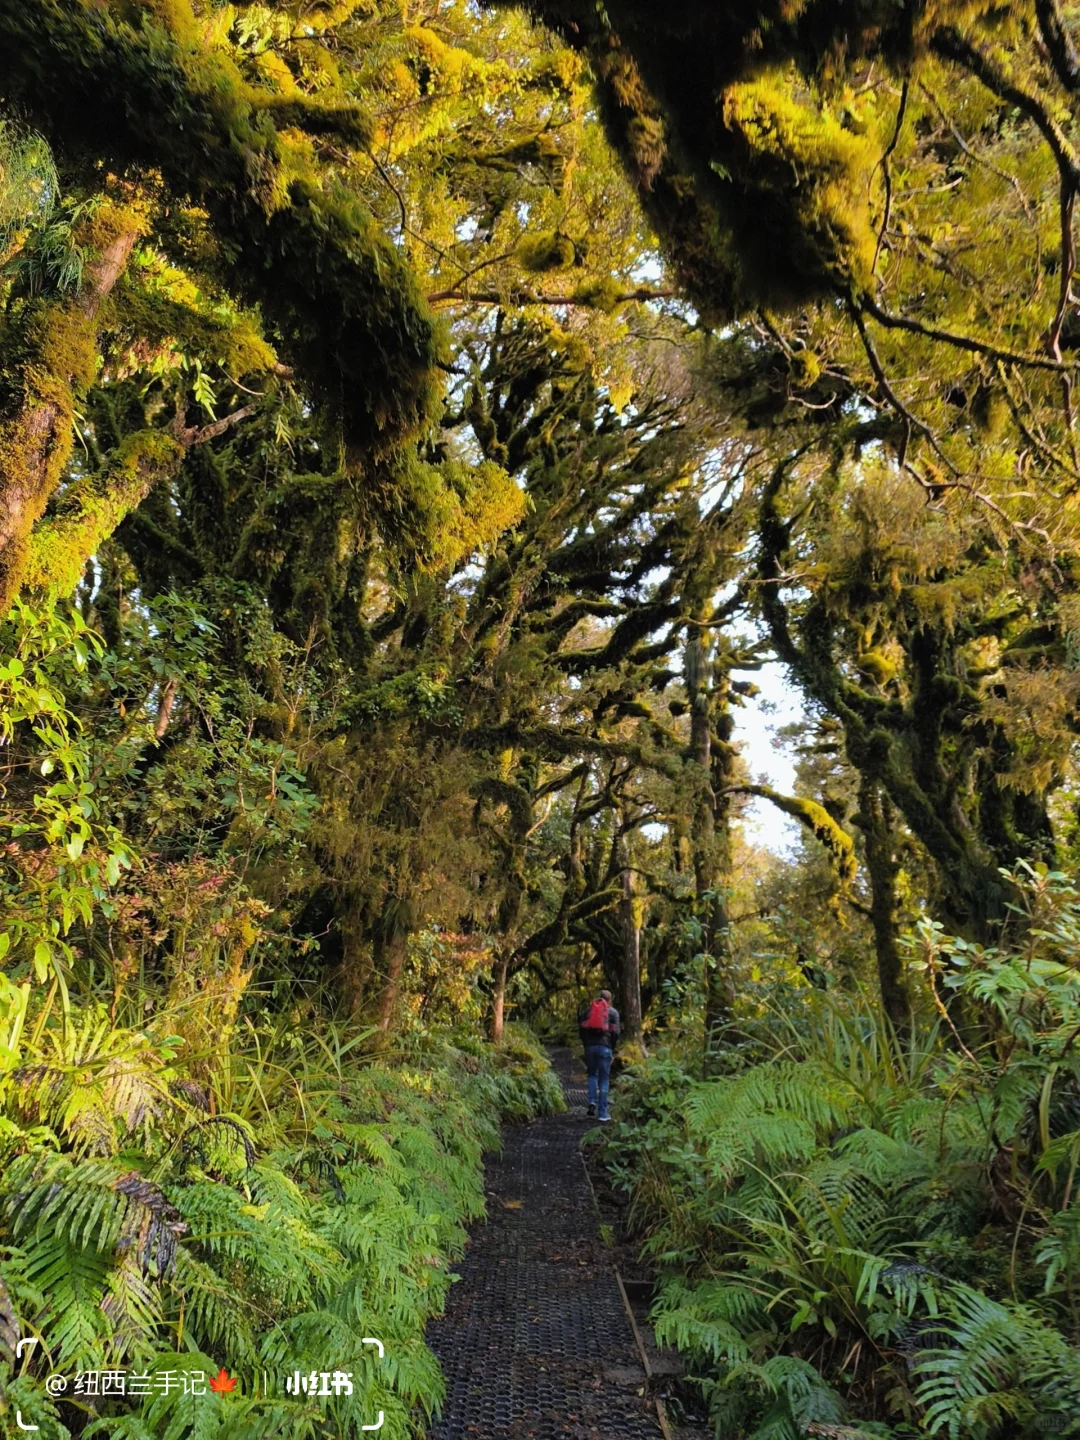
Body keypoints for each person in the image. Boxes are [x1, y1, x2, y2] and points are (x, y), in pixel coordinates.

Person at [578, 988, 620, 1122]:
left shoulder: (588, 1011)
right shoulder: (613, 1012)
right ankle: (602, 1113)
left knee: (592, 1075)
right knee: (604, 1079)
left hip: (590, 1047)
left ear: (599, 997)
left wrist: (586, 1045)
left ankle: (591, 1102)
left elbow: (581, 1029)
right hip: (605, 1048)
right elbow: (616, 1033)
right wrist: (611, 1046)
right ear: (609, 1000)